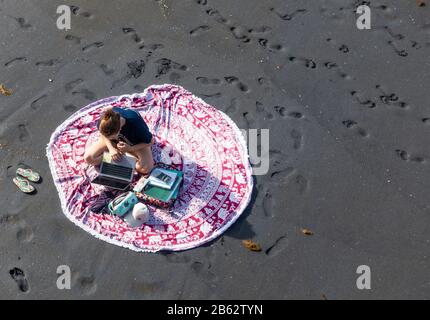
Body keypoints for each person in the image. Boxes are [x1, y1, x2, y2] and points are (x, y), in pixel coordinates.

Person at [84, 107, 154, 175]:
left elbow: (151, 141)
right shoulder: (105, 119)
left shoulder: (136, 124)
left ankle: (125, 157)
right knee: (89, 158)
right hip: (116, 145)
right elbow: (103, 135)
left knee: (146, 168)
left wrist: (130, 148)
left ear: (120, 129)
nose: (110, 138)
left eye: (112, 137)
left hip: (135, 144)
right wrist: (111, 149)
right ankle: (122, 157)